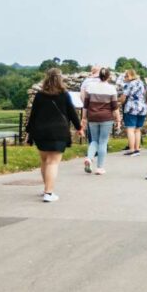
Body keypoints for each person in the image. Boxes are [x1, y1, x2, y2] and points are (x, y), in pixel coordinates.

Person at [26, 68, 84, 202]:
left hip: (41, 132)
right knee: (53, 163)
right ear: (60, 79)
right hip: (58, 131)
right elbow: (72, 113)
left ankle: (46, 188)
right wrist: (79, 127)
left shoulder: (39, 95)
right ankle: (49, 192)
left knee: (45, 161)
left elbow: (33, 115)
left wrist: (29, 133)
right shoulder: (64, 95)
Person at [82, 67, 121, 175]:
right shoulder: (111, 89)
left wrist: (84, 118)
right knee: (103, 142)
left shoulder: (90, 87)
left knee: (94, 140)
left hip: (92, 117)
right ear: (108, 76)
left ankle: (89, 158)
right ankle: (99, 168)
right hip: (106, 118)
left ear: (99, 76)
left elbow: (86, 105)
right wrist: (118, 120)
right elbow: (115, 107)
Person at [120, 69, 147, 157]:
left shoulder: (129, 84)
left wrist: (119, 102)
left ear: (131, 76)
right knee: (138, 130)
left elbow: (124, 97)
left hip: (132, 107)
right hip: (142, 107)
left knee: (130, 129)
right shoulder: (141, 82)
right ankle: (137, 149)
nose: (125, 78)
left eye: (126, 76)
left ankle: (131, 149)